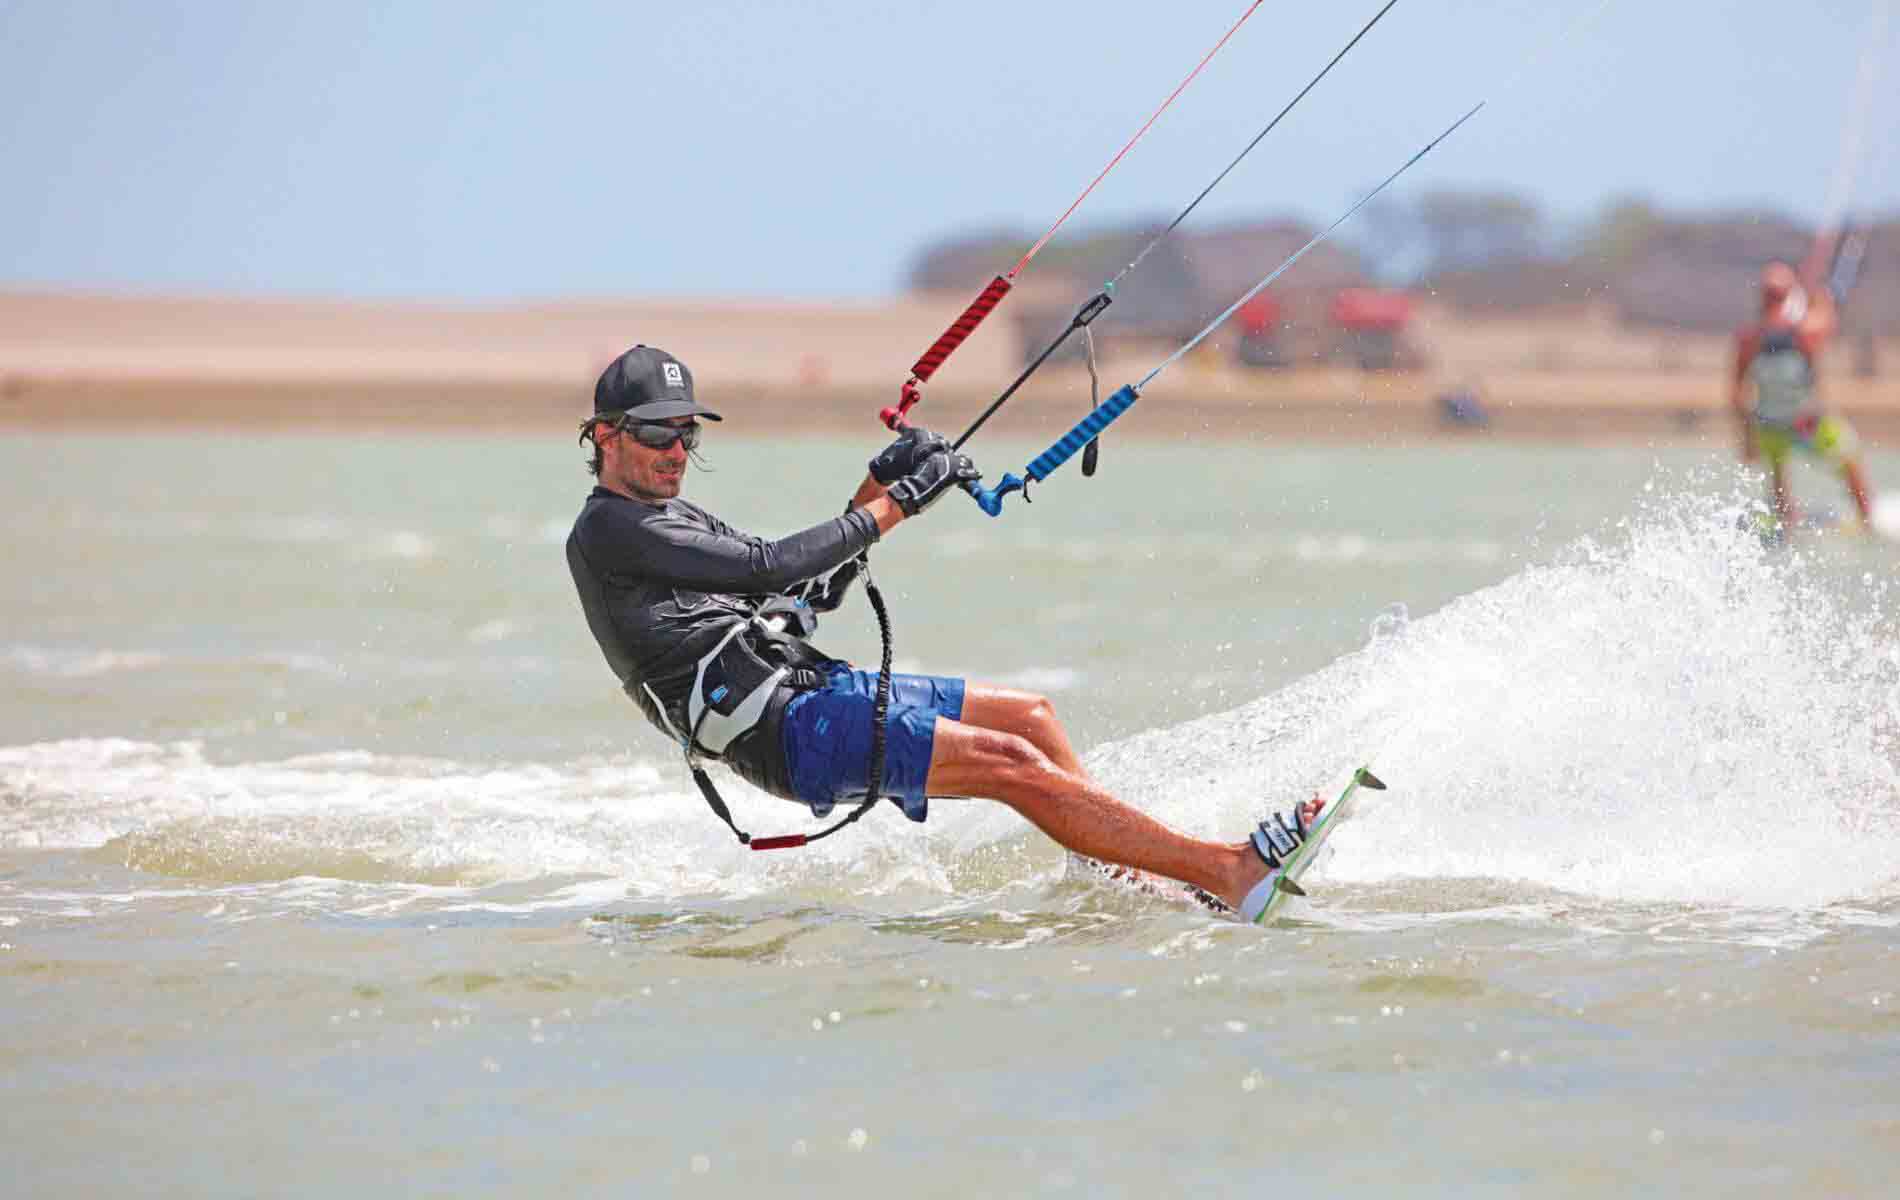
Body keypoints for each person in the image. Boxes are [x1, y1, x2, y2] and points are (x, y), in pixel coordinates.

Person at [564, 344, 1322, 922]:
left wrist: (881, 482)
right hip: (781, 733)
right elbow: (769, 566)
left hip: (805, 686)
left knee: (1029, 718)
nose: (675, 453)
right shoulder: (609, 531)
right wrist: (898, 504)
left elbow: (800, 588)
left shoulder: (672, 516)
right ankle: (1226, 870)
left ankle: (1141, 883)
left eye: (686, 436)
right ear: (604, 435)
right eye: (658, 435)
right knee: (1008, 761)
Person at [1730, 243, 1877, 533]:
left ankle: (1794, 520)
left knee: (1792, 469)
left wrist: (1747, 437)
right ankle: (1864, 520)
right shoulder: (1800, 331)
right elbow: (1829, 312)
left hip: (1781, 424)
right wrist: (1813, 296)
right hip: (1796, 423)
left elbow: (1736, 393)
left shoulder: (1757, 337)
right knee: (1847, 459)